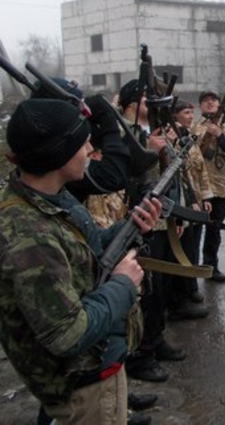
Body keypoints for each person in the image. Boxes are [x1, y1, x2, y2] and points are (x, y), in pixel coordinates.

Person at [0, 98, 160, 424]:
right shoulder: (27, 233)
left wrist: (129, 226)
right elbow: (67, 334)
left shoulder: (49, 198)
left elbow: (80, 250)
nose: (90, 149)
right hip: (82, 385)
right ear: (58, 154)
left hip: (99, 366)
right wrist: (123, 284)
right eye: (82, 141)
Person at [116, 80, 187, 384]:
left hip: (162, 219)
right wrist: (148, 149)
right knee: (143, 292)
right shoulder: (123, 134)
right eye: (147, 97)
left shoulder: (154, 132)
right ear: (133, 103)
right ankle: (140, 355)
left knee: (161, 287)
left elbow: (173, 175)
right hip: (138, 221)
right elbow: (122, 173)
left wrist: (180, 212)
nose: (154, 103)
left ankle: (156, 340)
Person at [166, 100, 212, 319]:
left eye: (191, 112)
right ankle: (180, 295)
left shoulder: (189, 137)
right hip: (182, 201)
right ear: (175, 116)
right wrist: (191, 199)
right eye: (186, 112)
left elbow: (201, 168)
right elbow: (178, 174)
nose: (190, 116)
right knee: (182, 249)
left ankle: (191, 288)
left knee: (192, 246)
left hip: (194, 200)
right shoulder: (172, 138)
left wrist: (205, 196)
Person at [195, 89, 225, 283]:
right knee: (194, 230)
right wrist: (206, 134)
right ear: (200, 106)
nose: (210, 103)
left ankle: (211, 265)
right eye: (205, 101)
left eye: (213, 100)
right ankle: (192, 268)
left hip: (219, 187)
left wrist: (219, 134)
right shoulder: (193, 127)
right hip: (197, 188)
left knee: (214, 230)